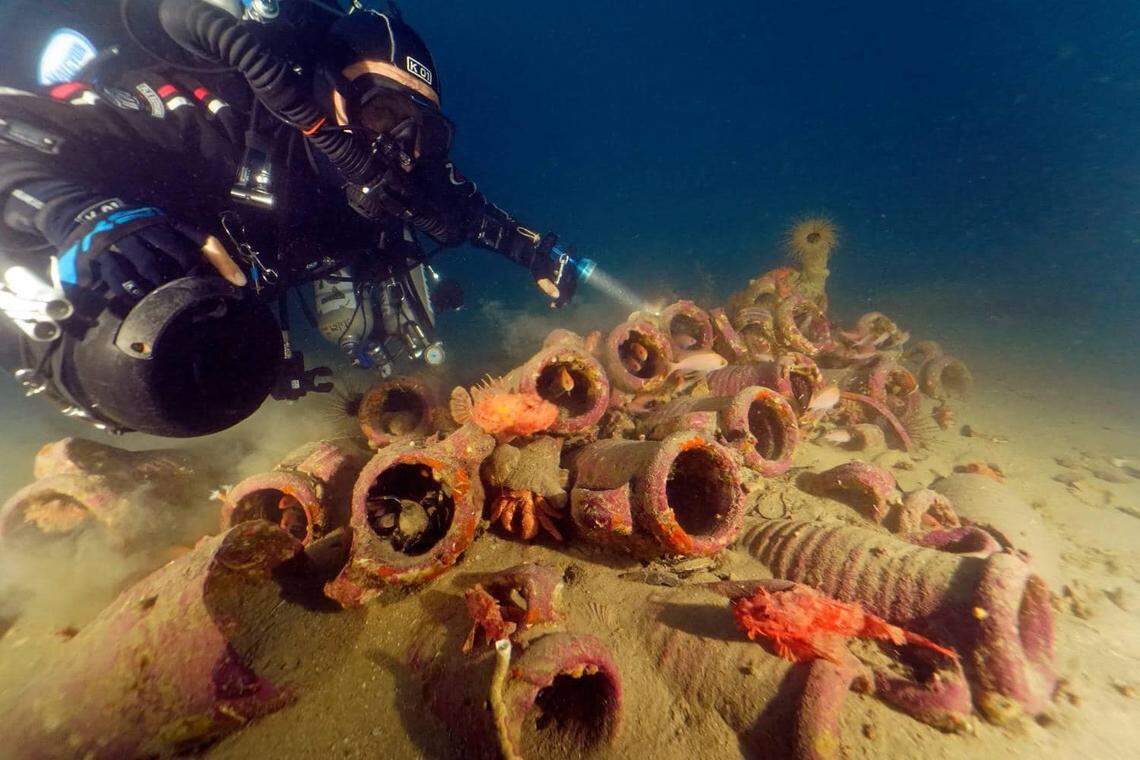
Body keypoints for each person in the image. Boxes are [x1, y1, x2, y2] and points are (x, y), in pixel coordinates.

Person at [0, 0, 586, 436]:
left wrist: (537, 253)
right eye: (383, 111)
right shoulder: (217, 126)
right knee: (127, 341)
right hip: (136, 286)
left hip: (246, 302)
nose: (400, 146)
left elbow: (469, 212)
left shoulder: (402, 173)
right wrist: (75, 213)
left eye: (421, 129)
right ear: (328, 92)